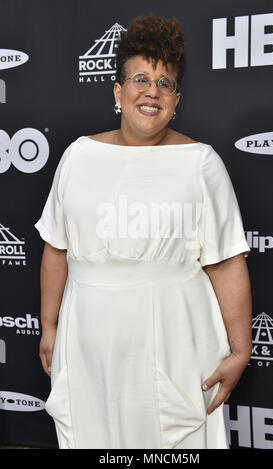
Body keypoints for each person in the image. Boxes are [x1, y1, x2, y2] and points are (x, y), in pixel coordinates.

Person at [35, 12, 252, 449]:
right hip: (88, 343)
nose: (152, 91)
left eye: (165, 83)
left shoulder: (201, 163)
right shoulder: (77, 157)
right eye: (140, 78)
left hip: (176, 344)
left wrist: (241, 348)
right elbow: (56, 249)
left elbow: (226, 262)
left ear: (176, 99)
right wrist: (49, 326)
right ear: (118, 91)